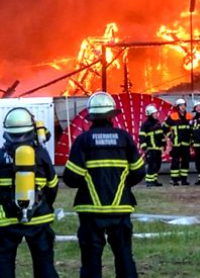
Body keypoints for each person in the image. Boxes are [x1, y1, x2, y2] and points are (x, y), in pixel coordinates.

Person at [63, 92, 145, 278]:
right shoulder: (124, 138)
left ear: (91, 117)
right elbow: (139, 171)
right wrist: (123, 185)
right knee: (124, 256)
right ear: (111, 116)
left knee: (91, 259)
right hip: (121, 208)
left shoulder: (83, 140)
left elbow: (71, 178)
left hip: (90, 210)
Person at [0, 107, 59, 278]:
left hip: (7, 221)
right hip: (38, 218)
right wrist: (44, 205)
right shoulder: (41, 154)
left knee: (3, 263)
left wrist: (3, 206)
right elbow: (52, 186)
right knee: (44, 262)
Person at [165, 98, 194, 185]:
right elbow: (165, 127)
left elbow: (193, 129)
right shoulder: (172, 116)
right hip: (176, 144)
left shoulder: (189, 116)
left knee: (185, 162)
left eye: (184, 105)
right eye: (181, 105)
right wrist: (170, 135)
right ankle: (174, 180)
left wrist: (192, 140)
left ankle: (184, 179)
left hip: (186, 144)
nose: (183, 107)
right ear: (177, 107)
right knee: (175, 162)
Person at [138, 104, 166, 187]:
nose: (156, 115)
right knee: (151, 165)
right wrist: (145, 148)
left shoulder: (157, 123)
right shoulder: (145, 125)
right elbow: (142, 137)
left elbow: (161, 135)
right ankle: (149, 182)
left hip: (158, 149)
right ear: (150, 114)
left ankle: (154, 180)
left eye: (156, 113)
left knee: (157, 165)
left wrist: (163, 144)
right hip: (151, 149)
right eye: (154, 113)